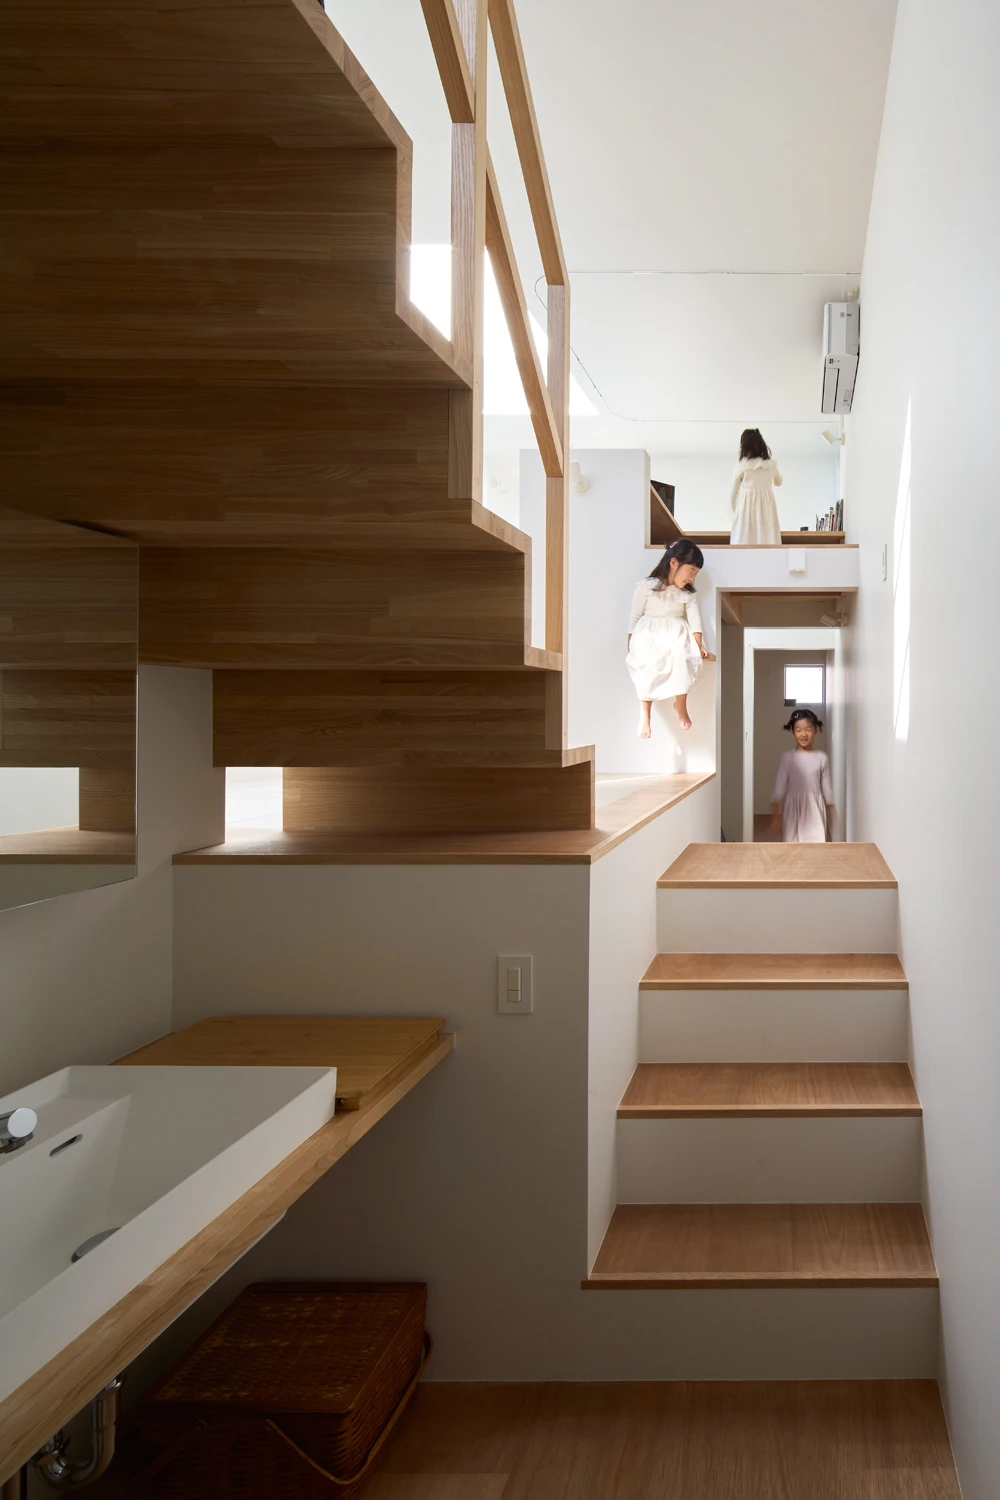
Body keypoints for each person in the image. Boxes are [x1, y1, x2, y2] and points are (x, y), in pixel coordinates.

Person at [626, 539, 711, 736]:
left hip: (675, 632)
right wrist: (630, 642)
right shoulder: (646, 587)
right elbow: (634, 617)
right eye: (691, 571)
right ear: (673, 563)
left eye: (696, 573)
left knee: (681, 654)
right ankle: (645, 712)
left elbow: (695, 620)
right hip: (649, 632)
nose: (692, 577)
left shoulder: (687, 594)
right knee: (645, 660)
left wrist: (698, 645)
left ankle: (680, 703)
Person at [769, 708, 835, 842]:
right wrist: (776, 817)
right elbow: (779, 788)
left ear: (816, 730)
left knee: (816, 844)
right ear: (793, 731)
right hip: (793, 811)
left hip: (815, 809)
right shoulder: (788, 757)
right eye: (798, 730)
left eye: (808, 729)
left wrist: (833, 812)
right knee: (793, 846)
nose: (803, 734)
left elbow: (827, 789)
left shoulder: (821, 757)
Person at [730, 428, 783, 545]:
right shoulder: (770, 465)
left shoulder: (742, 466)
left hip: (746, 509)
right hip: (767, 509)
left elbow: (732, 496)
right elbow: (779, 482)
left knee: (744, 541)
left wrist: (736, 516)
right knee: (768, 539)